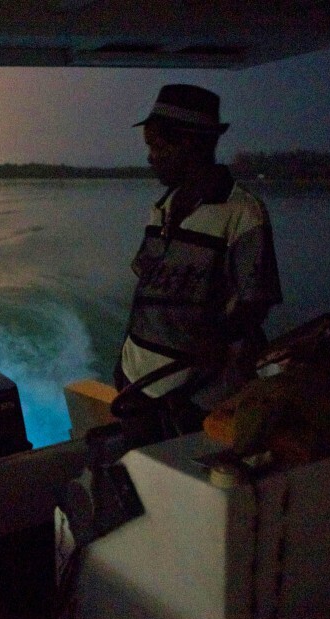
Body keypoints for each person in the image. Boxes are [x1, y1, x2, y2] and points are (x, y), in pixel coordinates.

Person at [112, 84, 282, 441]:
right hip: (137, 384)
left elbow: (257, 302)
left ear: (192, 144)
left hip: (197, 400)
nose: (150, 157)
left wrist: (217, 340)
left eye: (158, 146)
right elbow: (148, 291)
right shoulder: (161, 209)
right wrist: (124, 364)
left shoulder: (243, 214)